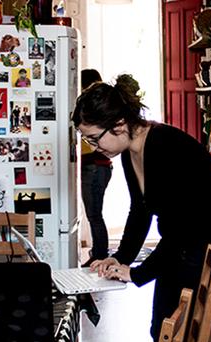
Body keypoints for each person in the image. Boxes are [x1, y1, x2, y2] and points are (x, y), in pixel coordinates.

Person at [75, 75, 211, 342]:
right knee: (162, 330)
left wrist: (136, 273)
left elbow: (182, 230)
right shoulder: (129, 153)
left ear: (120, 125)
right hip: (185, 245)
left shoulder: (166, 147)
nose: (94, 148)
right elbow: (140, 211)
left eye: (95, 139)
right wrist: (120, 258)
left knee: (191, 341)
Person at [79, 69, 113, 267]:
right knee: (95, 214)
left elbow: (94, 148)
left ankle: (100, 256)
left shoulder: (97, 111)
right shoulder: (100, 109)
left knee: (94, 214)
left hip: (95, 168)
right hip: (99, 168)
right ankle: (99, 253)